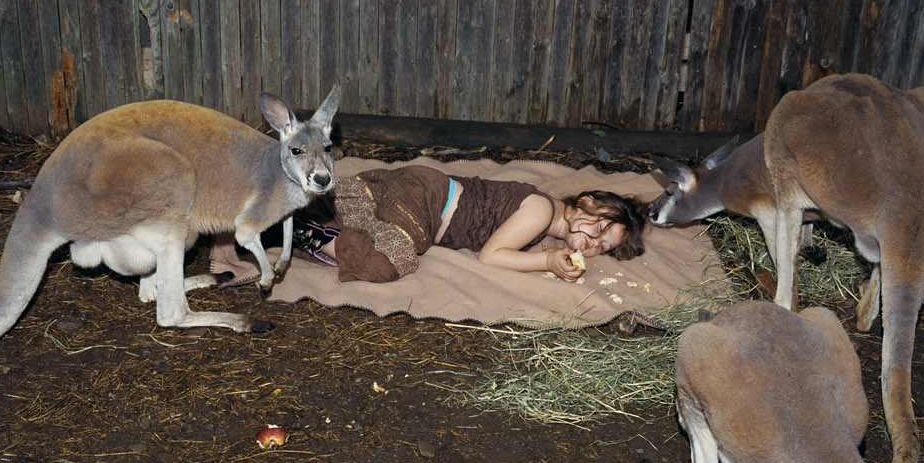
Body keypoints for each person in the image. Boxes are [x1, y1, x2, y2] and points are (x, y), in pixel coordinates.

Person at [209, 164, 648, 285]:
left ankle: (274, 208)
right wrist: (549, 263)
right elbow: (493, 257)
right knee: (392, 261)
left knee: (355, 210)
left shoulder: (544, 219)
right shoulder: (540, 211)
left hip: (415, 195)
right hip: (428, 199)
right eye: (600, 230)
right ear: (586, 204)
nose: (593, 244)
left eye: (604, 248)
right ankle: (293, 232)